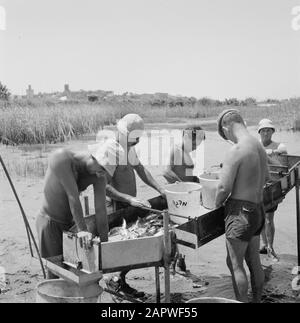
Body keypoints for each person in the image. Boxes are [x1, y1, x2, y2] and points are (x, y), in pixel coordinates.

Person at [36, 139, 123, 279]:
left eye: (105, 172)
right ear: (93, 157)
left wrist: (104, 246)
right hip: (50, 221)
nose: (102, 174)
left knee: (74, 270)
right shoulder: (62, 158)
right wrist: (83, 230)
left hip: (71, 224)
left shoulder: (98, 175)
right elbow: (73, 197)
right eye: (102, 169)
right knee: (54, 272)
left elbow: (101, 211)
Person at [105, 114, 166, 298]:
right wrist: (128, 199)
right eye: (135, 138)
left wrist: (160, 188)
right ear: (123, 133)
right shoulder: (111, 150)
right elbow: (104, 186)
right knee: (123, 248)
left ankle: (118, 279)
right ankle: (115, 280)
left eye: (139, 138)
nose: (137, 142)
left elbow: (140, 169)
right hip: (116, 205)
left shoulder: (128, 147)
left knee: (133, 245)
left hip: (129, 203)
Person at [215, 109, 269, 303]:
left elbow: (223, 187)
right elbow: (268, 177)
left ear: (226, 127)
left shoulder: (236, 150)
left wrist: (216, 204)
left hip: (240, 212)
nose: (228, 138)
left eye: (225, 135)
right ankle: (256, 300)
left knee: (235, 263)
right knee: (254, 261)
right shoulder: (259, 146)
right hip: (258, 209)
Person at [258, 119, 287, 260]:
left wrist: (270, 151)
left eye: (268, 130)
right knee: (259, 218)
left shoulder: (278, 145)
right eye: (263, 130)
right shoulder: (255, 145)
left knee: (269, 218)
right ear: (259, 132)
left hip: (272, 187)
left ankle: (271, 247)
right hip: (257, 185)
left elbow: (283, 150)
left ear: (272, 131)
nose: (265, 132)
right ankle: (264, 245)